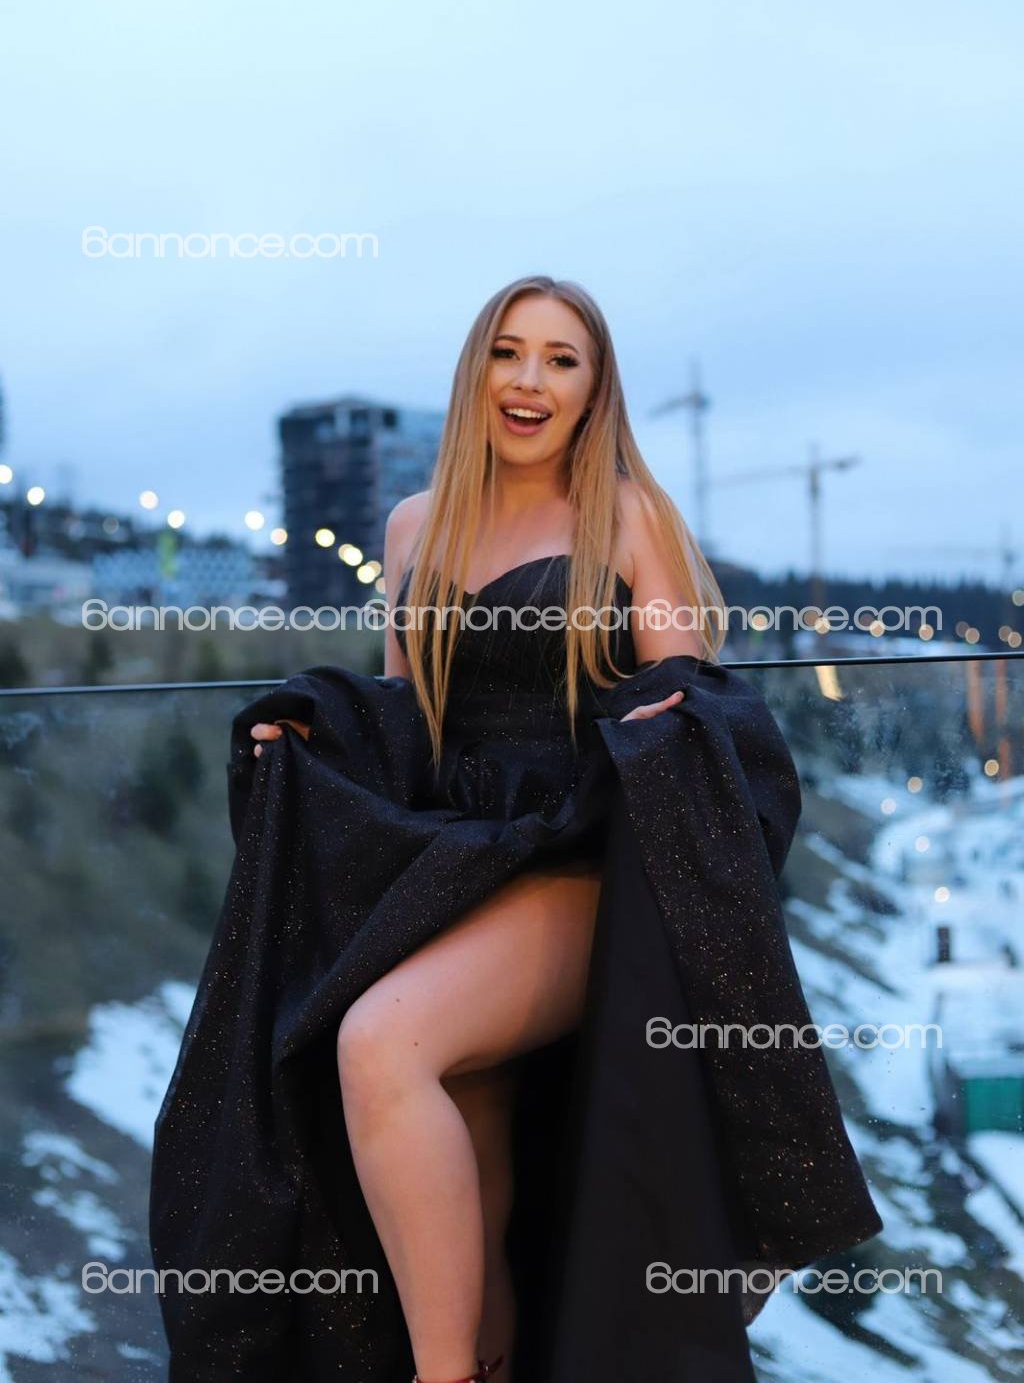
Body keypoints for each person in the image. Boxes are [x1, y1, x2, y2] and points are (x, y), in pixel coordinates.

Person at [150, 274, 882, 1383]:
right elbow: (406, 716)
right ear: (475, 372)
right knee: (468, 1139)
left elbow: (705, 716)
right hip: (450, 856)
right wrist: (314, 729)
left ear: (595, 391)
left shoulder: (628, 518)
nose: (529, 380)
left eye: (560, 359)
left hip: (584, 864)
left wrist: (673, 714)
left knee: (382, 1043)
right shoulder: (413, 525)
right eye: (508, 352)